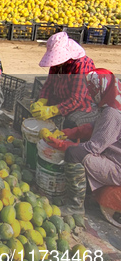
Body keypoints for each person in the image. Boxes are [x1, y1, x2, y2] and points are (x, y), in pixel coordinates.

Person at [46, 69, 121, 216]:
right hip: (113, 153)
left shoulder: (112, 112)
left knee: (75, 154)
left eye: (92, 91)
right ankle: (86, 191)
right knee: (77, 146)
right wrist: (73, 132)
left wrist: (63, 145)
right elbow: (97, 127)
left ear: (100, 88)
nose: (91, 95)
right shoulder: (114, 98)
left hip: (117, 165)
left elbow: (93, 148)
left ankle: (75, 207)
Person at [32, 32, 96, 129]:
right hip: (60, 99)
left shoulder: (82, 64)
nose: (56, 64)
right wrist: (42, 101)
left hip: (80, 105)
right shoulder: (57, 65)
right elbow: (48, 84)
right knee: (37, 107)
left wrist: (53, 110)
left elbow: (77, 98)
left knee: (71, 122)